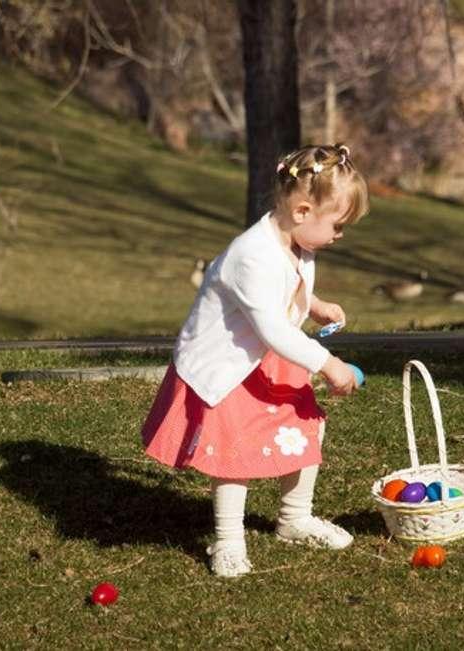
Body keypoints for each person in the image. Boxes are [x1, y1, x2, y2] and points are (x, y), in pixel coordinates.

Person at [141, 144, 369, 577]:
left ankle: (294, 517)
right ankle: (228, 540)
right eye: (338, 226)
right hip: (229, 366)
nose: (340, 235)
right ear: (302, 211)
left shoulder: (296, 242)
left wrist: (313, 303)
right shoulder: (252, 255)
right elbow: (274, 328)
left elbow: (282, 292)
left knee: (303, 428)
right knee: (232, 449)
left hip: (265, 358)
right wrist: (328, 363)